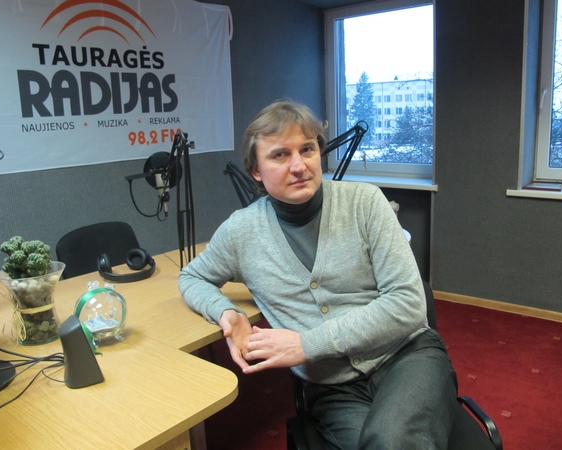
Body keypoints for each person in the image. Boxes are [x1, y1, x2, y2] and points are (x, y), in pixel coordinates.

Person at [178, 100, 457, 449]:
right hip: (333, 389)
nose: (299, 166)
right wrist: (226, 312)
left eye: (307, 149)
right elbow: (191, 277)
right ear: (256, 171)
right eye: (280, 155)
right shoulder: (241, 232)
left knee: (392, 442)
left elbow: (408, 303)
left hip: (407, 357)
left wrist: (308, 344)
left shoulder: (365, 202)